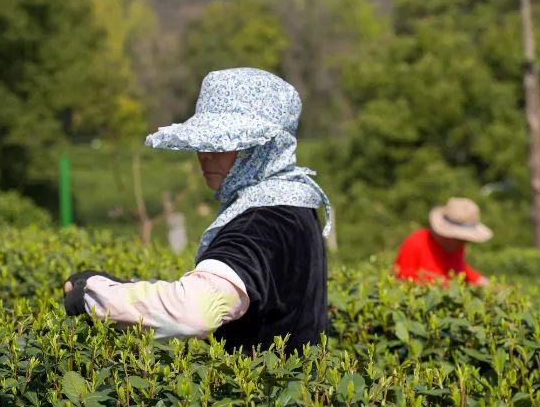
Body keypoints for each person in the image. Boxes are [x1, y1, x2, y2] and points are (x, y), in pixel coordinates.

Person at [62, 68, 332, 354]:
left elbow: (194, 312)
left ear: (262, 149)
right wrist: (124, 287)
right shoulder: (294, 202)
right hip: (298, 393)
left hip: (257, 395)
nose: (204, 153)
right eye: (206, 142)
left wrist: (93, 297)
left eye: (223, 142)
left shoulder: (262, 221)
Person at [393, 197, 491, 285]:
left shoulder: (457, 247)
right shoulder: (415, 243)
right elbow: (401, 280)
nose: (463, 244)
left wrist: (483, 282)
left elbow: (461, 269)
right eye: (459, 239)